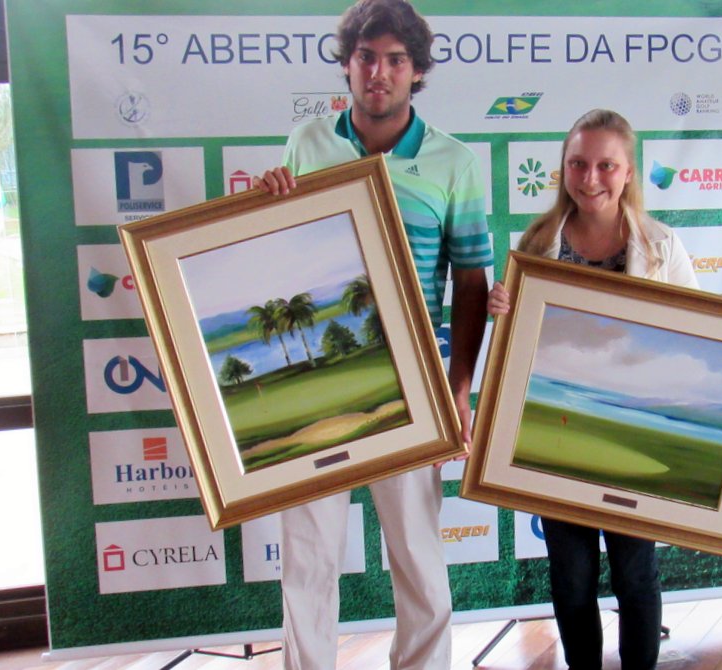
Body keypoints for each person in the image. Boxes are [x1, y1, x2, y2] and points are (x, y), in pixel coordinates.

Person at [487, 108, 722, 670]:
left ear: (627, 172)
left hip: (623, 438)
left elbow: (712, 331)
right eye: (577, 163)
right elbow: (524, 345)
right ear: (563, 167)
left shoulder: (662, 245)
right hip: (556, 448)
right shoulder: (537, 240)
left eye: (605, 165)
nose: (589, 177)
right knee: (570, 582)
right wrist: (504, 311)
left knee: (634, 575)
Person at [254, 1, 491, 668]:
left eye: (394, 60)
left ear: (417, 71)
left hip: (417, 383)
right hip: (319, 388)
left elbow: (471, 281)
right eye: (366, 57)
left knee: (417, 554)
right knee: (307, 557)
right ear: (348, 64)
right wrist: (269, 204)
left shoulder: (456, 162)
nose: (378, 72)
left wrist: (460, 385)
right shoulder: (307, 143)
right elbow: (281, 255)